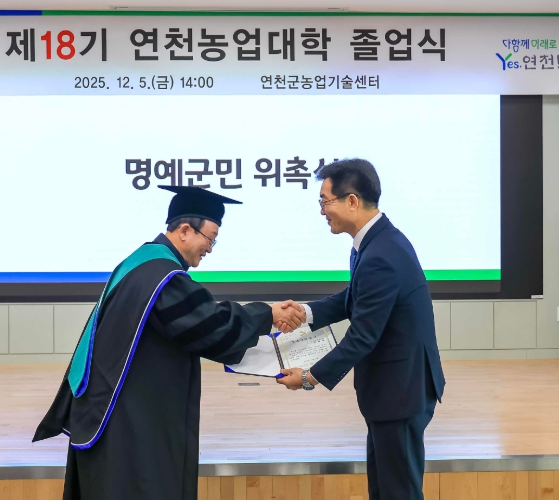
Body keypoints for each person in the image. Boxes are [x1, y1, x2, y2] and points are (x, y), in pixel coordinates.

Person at [33, 185, 305, 500]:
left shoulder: (141, 263)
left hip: (121, 409)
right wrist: (267, 314)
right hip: (131, 421)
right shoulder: (162, 277)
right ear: (185, 230)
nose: (210, 248)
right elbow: (207, 324)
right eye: (210, 238)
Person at [276, 159, 446, 500]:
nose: (322, 211)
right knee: (384, 489)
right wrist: (306, 313)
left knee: (398, 492)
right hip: (394, 390)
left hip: (400, 392)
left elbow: (363, 336)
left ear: (351, 201)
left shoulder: (381, 253)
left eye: (325, 201)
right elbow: (356, 297)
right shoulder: (376, 242)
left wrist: (309, 378)